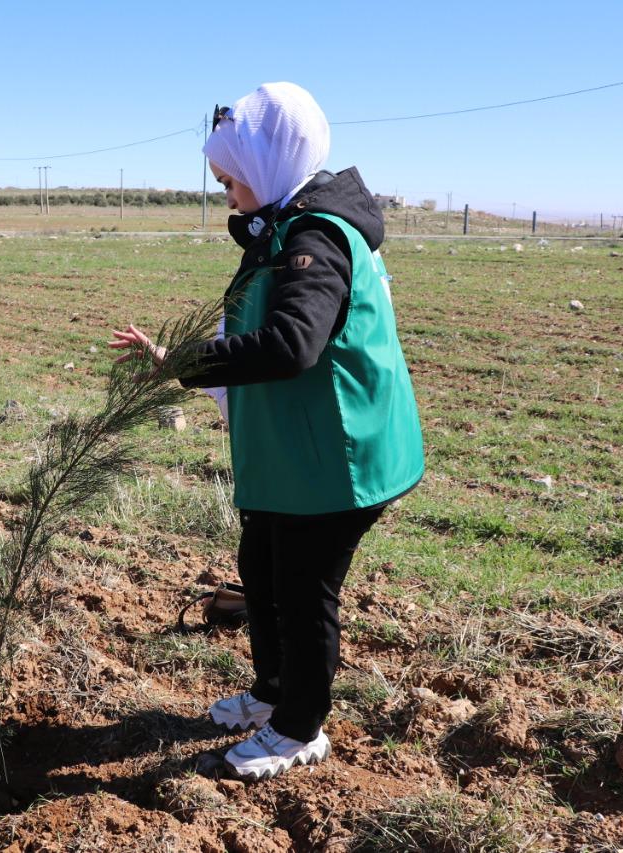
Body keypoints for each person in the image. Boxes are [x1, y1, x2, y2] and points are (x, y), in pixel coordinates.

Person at [111, 83, 423, 781]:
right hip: (296, 455)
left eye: (231, 178)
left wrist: (183, 363)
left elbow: (292, 344)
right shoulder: (283, 223)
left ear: (272, 161)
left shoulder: (316, 236)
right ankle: (273, 692)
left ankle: (298, 727)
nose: (226, 193)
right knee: (261, 567)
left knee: (303, 586)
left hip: (339, 460)